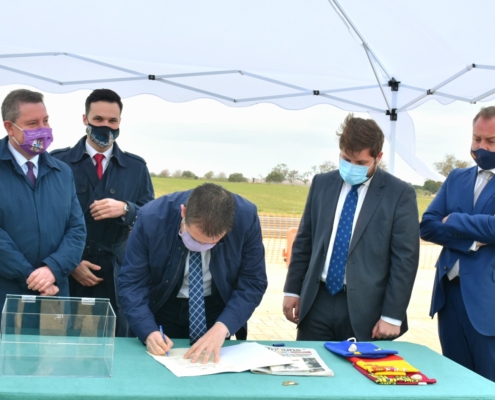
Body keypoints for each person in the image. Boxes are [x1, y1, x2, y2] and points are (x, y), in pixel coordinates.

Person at [283, 114, 419, 342]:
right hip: (317, 301)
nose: (351, 167)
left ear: (378, 157)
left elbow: (405, 260)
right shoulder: (321, 184)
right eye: (346, 159)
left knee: (359, 376)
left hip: (367, 310)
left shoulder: (399, 194)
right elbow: (305, 240)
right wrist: (292, 290)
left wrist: (392, 316)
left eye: (361, 163)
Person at [118, 183, 267, 363]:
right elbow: (131, 282)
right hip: (161, 306)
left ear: (229, 228)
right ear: (183, 212)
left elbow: (252, 282)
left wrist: (223, 328)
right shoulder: (151, 218)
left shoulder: (246, 218)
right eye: (195, 239)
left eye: (210, 243)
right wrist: (148, 330)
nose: (200, 247)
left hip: (216, 310)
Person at [51, 89, 154, 336]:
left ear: (120, 122)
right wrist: (70, 262)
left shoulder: (136, 167)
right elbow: (46, 221)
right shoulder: (58, 162)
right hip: (68, 268)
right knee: (63, 341)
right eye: (98, 120)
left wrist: (127, 209)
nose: (105, 126)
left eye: (112, 121)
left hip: (116, 271)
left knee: (118, 340)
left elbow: (152, 218)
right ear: (85, 119)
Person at [420, 106, 495, 382]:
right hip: (449, 297)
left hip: (488, 305)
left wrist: (454, 219)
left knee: (488, 385)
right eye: (477, 139)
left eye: (491, 142)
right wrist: (473, 242)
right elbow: (428, 225)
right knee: (455, 381)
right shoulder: (456, 178)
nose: (481, 147)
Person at [0, 89, 86, 311]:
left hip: (54, 296)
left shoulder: (62, 172)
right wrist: (31, 276)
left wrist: (52, 269)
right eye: (32, 123)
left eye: (45, 121)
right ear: (10, 127)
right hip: (6, 296)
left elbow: (76, 229)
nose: (43, 130)